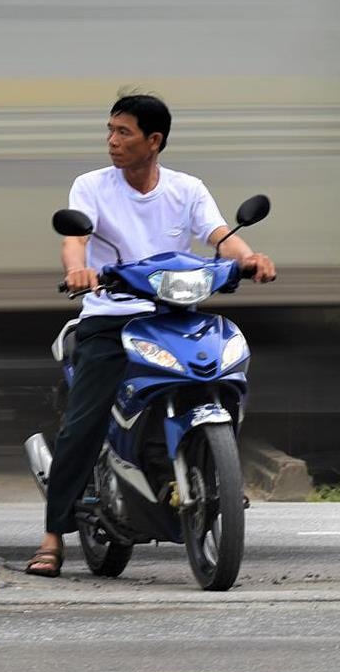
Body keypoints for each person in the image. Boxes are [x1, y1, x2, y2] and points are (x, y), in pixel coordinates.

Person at [25, 93, 275, 577]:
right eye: (110, 131)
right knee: (84, 420)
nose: (112, 142)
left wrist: (250, 258)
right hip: (111, 317)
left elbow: (220, 235)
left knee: (220, 370)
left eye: (124, 133)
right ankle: (53, 536)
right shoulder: (92, 187)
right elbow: (74, 240)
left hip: (175, 314)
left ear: (153, 141)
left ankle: (211, 469)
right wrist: (79, 271)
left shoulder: (186, 189)